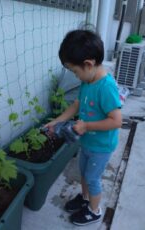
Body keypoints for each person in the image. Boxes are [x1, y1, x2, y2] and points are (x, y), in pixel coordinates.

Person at [45, 29, 122, 226]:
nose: (76, 76)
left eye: (75, 72)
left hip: (101, 146)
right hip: (88, 142)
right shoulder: (88, 81)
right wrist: (57, 121)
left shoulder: (105, 87)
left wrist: (86, 125)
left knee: (92, 178)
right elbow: (76, 105)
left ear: (88, 64)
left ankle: (95, 211)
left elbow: (116, 121)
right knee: (84, 175)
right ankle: (86, 199)